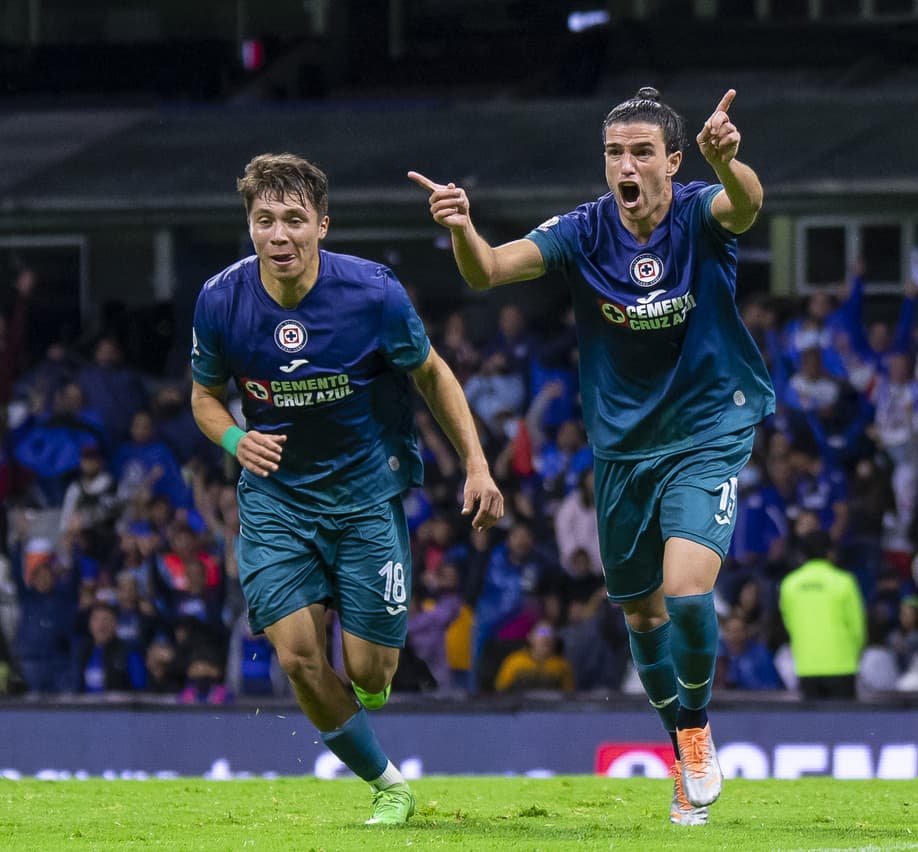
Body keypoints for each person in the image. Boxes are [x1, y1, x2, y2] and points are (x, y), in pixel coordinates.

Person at [410, 86, 772, 825]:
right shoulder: (581, 230)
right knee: (641, 617)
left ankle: (695, 729)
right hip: (621, 451)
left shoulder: (700, 213)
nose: (626, 165)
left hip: (706, 430)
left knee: (687, 594)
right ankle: (682, 755)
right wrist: (463, 229)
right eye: (614, 153)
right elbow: (488, 272)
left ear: (674, 161)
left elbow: (746, 207)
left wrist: (729, 163)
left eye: (642, 152)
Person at [190, 153, 503, 826]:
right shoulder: (221, 299)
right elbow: (204, 397)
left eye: (294, 219)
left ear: (322, 225)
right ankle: (389, 786)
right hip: (277, 501)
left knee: (369, 673)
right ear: (250, 225)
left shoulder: (372, 292)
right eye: (265, 220)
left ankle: (369, 672)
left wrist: (476, 464)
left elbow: (432, 373)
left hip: (365, 499)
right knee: (299, 659)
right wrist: (235, 440)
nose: (279, 235)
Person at [777, 531, 865, 698]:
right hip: (842, 665)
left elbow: (789, 623)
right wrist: (854, 653)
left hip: (806, 665)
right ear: (830, 552)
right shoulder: (844, 582)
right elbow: (856, 627)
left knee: (812, 716)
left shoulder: (789, 584)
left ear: (802, 554)